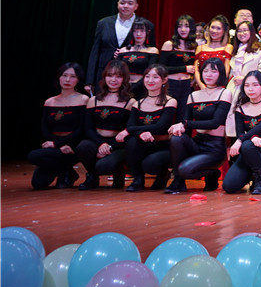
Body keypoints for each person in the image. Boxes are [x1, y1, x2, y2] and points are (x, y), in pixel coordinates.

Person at [164, 57, 231, 193]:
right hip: (197, 143)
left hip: (214, 147)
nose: (208, 74)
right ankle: (178, 181)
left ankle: (212, 173)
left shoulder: (225, 93)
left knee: (184, 169)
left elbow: (214, 123)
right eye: (205, 71)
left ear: (221, 74)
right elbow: (186, 123)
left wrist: (185, 124)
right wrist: (178, 129)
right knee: (177, 138)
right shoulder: (194, 95)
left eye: (213, 71)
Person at [27, 63, 89, 189]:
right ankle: (67, 172)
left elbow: (82, 129)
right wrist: (57, 144)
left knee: (34, 155)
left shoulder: (83, 99)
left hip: (72, 146)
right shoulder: (50, 101)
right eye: (64, 75)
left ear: (78, 80)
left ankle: (65, 172)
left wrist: (60, 144)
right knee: (38, 184)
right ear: (58, 77)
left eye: (73, 76)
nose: (67, 80)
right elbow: (45, 128)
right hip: (56, 146)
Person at [76, 60, 133, 190]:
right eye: (110, 75)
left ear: (124, 79)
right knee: (83, 146)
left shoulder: (130, 102)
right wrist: (101, 144)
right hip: (98, 141)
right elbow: (88, 129)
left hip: (118, 144)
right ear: (104, 77)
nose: (113, 80)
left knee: (104, 166)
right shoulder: (94, 100)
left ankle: (119, 173)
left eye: (118, 76)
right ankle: (92, 177)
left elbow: (128, 131)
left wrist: (110, 147)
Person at [224, 71, 261, 195]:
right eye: (247, 85)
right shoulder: (240, 108)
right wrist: (252, 137)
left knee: (246, 144)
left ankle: (260, 180)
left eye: (255, 85)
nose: (250, 89)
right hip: (250, 150)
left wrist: (242, 140)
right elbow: (240, 133)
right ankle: (252, 175)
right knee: (229, 186)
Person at [85, 0, 153, 92]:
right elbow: (95, 52)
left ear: (136, 6)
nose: (125, 6)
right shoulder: (104, 23)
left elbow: (149, 51)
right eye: (122, 3)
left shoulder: (146, 25)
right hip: (104, 74)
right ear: (117, 4)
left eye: (130, 3)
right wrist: (89, 81)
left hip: (132, 79)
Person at [123, 65, 177, 191]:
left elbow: (161, 127)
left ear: (164, 80)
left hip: (163, 145)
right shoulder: (138, 103)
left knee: (150, 164)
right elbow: (130, 126)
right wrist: (140, 133)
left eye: (155, 77)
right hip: (144, 144)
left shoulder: (170, 101)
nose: (150, 80)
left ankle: (162, 175)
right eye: (147, 77)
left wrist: (136, 131)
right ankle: (138, 179)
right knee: (131, 141)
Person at [225, 21, 261, 136]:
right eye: (239, 31)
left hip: (251, 89)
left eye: (245, 30)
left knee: (248, 123)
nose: (242, 33)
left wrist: (245, 79)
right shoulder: (236, 50)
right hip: (234, 88)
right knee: (232, 124)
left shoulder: (260, 50)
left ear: (251, 32)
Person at [159, 15, 197, 122]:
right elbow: (161, 68)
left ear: (191, 28)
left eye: (186, 26)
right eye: (180, 26)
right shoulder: (169, 44)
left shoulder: (195, 46)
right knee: (167, 117)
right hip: (170, 85)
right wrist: (184, 68)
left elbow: (197, 67)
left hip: (186, 86)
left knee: (183, 117)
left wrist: (194, 79)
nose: (183, 29)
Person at [116, 19, 159, 98]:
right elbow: (117, 71)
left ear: (147, 32)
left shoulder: (152, 51)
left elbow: (149, 72)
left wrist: (133, 88)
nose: (138, 34)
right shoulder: (123, 50)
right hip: (123, 87)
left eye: (142, 31)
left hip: (142, 87)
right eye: (136, 31)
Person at [193, 15, 233, 94]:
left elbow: (226, 71)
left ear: (224, 31)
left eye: (218, 28)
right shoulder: (200, 48)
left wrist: (215, 87)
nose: (214, 31)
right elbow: (196, 70)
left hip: (219, 88)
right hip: (201, 87)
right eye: (212, 27)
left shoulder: (228, 47)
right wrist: (202, 86)